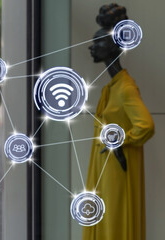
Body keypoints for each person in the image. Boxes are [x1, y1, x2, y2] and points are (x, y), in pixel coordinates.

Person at [83, 4, 154, 240]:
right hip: (105, 171)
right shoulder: (111, 88)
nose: (92, 47)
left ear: (112, 47)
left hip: (116, 174)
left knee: (113, 224)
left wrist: (122, 141)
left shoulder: (125, 88)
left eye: (98, 42)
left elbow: (145, 125)